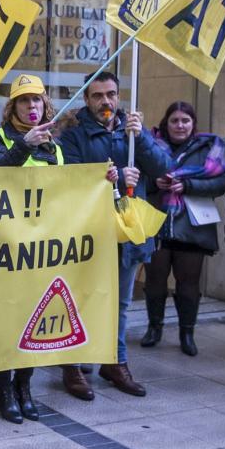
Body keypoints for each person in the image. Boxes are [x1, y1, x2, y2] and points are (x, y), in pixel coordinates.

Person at [57, 71, 170, 399]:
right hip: (88, 230)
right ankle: (73, 364)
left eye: (110, 95)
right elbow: (69, 177)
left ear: (118, 97)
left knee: (120, 302)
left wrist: (143, 138)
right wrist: (116, 176)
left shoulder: (133, 130)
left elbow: (163, 167)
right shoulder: (74, 132)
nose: (105, 102)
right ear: (87, 100)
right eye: (97, 96)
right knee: (79, 299)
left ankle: (114, 360)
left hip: (127, 227)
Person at [0, 74, 59, 423]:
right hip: (7, 245)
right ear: (12, 106)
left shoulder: (54, 148)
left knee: (34, 321)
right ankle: (3, 388)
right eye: (24, 100)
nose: (32, 106)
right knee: (6, 319)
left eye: (37, 100)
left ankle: (25, 386)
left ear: (46, 105)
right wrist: (24, 145)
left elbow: (65, 192)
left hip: (40, 248)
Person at [142, 102, 225, 356]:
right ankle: (154, 328)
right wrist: (154, 182)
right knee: (155, 280)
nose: (180, 125)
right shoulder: (149, 145)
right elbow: (137, 178)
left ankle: (187, 333)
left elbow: (221, 183)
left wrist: (189, 185)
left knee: (188, 284)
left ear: (193, 124)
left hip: (192, 226)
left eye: (185, 121)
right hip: (157, 222)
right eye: (174, 121)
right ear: (166, 123)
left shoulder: (210, 147)